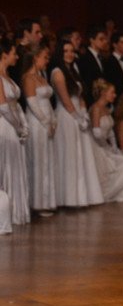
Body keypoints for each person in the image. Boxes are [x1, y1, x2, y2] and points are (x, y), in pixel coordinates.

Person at [51, 39, 104, 207]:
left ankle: (82, 197)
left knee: (82, 154)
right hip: (67, 116)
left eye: (72, 51)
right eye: (66, 51)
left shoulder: (73, 70)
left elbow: (80, 96)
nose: (70, 54)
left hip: (79, 115)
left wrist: (84, 114)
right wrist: (77, 117)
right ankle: (68, 198)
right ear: (60, 53)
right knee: (70, 155)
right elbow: (65, 99)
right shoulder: (57, 72)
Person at [21, 45, 58, 215]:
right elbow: (32, 103)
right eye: (44, 57)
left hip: (47, 121)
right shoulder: (28, 78)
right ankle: (37, 202)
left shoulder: (41, 77)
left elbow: (48, 102)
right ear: (35, 57)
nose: (47, 60)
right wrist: (46, 122)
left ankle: (47, 201)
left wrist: (53, 120)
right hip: (37, 123)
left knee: (47, 160)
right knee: (38, 160)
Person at [0, 37, 30, 225]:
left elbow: (15, 105)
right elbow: (3, 107)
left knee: (15, 166)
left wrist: (23, 124)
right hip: (4, 125)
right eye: (14, 53)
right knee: (6, 166)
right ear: (4, 55)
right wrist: (18, 126)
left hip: (13, 124)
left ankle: (16, 211)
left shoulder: (8, 76)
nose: (17, 57)